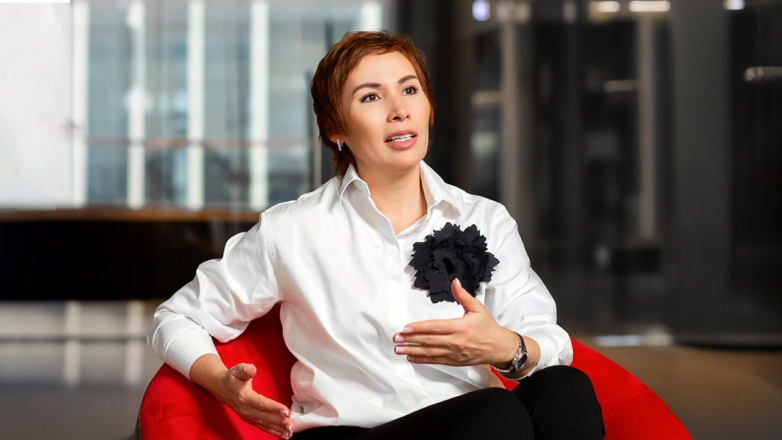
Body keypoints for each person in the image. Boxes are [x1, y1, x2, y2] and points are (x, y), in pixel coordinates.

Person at [148, 30, 605, 440]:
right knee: (495, 415)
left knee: (565, 388)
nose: (399, 110)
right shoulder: (292, 229)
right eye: (371, 97)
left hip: (471, 423)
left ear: (428, 107)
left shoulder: (486, 219)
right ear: (335, 128)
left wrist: (506, 348)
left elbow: (546, 337)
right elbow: (176, 317)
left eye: (410, 89)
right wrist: (219, 382)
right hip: (354, 433)